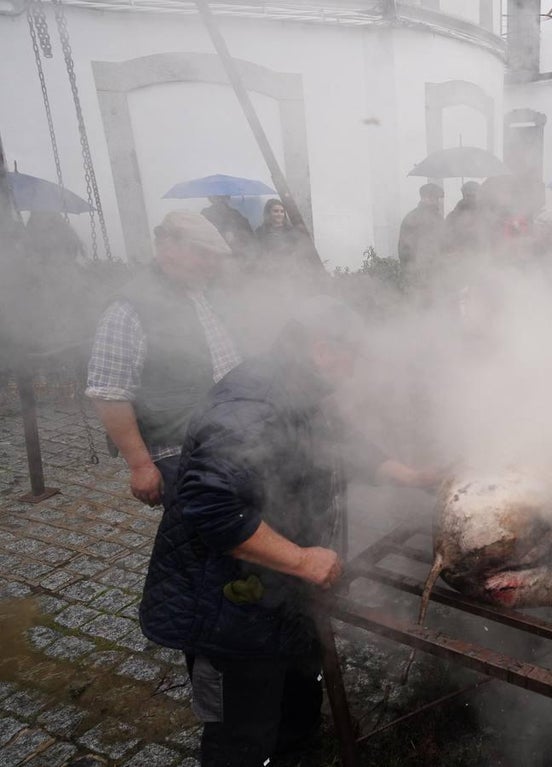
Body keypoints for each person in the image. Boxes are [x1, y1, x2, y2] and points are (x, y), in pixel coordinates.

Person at [139, 296, 439, 767]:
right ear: (322, 348)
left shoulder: (303, 388)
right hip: (229, 612)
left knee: (297, 713)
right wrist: (302, 560)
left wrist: (409, 475)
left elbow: (339, 441)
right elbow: (209, 504)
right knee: (240, 737)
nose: (356, 370)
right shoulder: (251, 406)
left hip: (282, 601)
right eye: (353, 357)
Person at [86, 210, 242, 509]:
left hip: (220, 441)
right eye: (203, 254)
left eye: (215, 256)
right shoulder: (128, 310)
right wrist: (141, 466)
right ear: (167, 247)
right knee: (200, 532)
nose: (212, 264)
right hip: (178, 450)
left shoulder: (201, 294)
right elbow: (109, 394)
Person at [397, 183, 444, 280]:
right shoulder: (413, 219)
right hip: (420, 274)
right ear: (427, 197)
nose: (438, 202)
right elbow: (405, 249)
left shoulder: (437, 218)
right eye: (436, 198)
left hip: (435, 274)